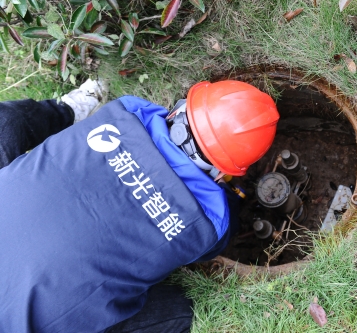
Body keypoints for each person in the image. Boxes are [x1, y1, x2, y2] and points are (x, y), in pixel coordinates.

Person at [0, 79, 280, 332]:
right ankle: (67, 110)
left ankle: (68, 110)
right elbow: (215, 244)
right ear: (223, 173)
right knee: (180, 311)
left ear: (181, 109)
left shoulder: (127, 109)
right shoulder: (211, 223)